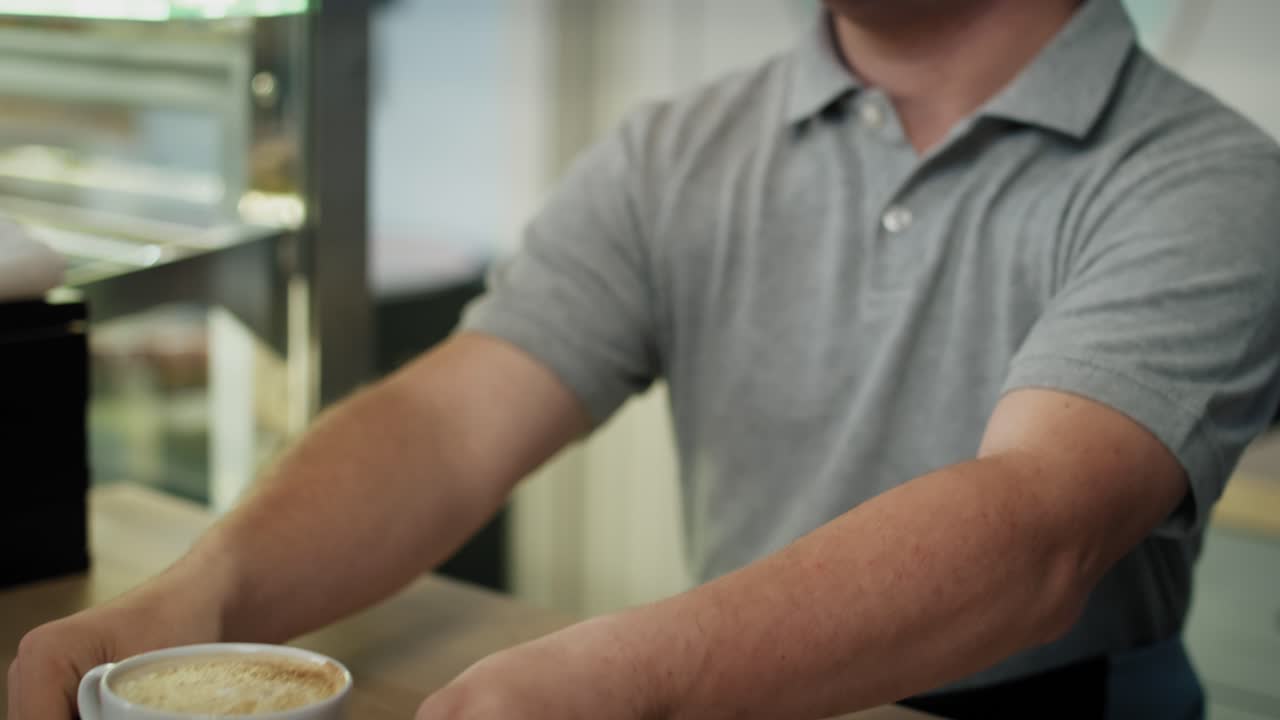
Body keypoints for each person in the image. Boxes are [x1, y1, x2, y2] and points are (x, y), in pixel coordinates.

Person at [10, 0, 1280, 717]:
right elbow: (457, 419)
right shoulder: (675, 151)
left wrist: (624, 670)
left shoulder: (1205, 179)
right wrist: (204, 598)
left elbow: (1034, 536)